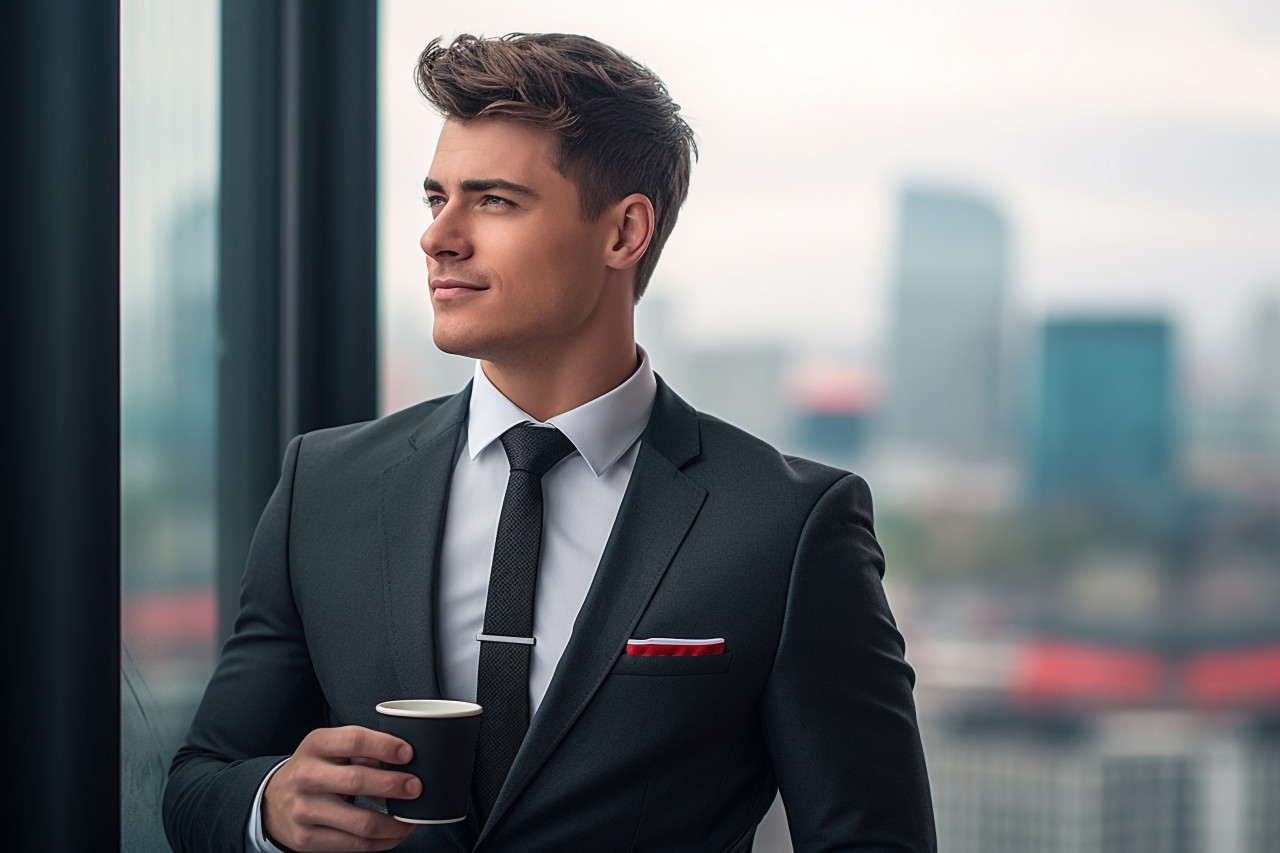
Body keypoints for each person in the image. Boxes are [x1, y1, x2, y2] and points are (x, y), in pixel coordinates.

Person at [163, 32, 936, 853]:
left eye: (493, 200)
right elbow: (200, 780)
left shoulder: (786, 524)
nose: (439, 237)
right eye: (436, 199)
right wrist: (272, 801)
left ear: (624, 232)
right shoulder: (324, 486)